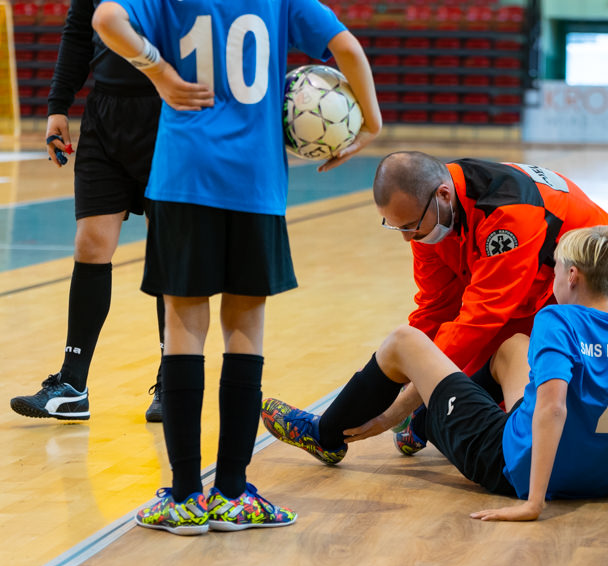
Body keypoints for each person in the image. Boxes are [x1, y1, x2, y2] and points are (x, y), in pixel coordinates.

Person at [92, 0, 381, 535]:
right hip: (255, 183)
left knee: (182, 330)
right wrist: (373, 119)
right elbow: (347, 48)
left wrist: (159, 72)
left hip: (183, 177)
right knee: (245, 332)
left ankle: (183, 497)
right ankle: (231, 493)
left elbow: (106, 19)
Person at [261, 226, 608, 521]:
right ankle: (430, 418)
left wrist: (532, 502)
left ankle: (338, 433)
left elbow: (551, 410)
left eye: (555, 271)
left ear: (572, 275)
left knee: (404, 342)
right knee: (511, 346)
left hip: (511, 465)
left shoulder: (557, 321)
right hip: (600, 478)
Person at [352, 152, 608, 454]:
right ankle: (597, 391)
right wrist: (400, 374)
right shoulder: (427, 219)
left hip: (603, 286)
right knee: (476, 379)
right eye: (398, 227)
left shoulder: (508, 210)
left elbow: (481, 317)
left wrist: (402, 405)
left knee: (515, 386)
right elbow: (434, 308)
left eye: (410, 225)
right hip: (541, 286)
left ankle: (600, 391)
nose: (408, 237)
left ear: (443, 196)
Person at [9, 0, 166, 423]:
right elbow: (78, 31)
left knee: (170, 248)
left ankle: (174, 377)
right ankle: (73, 385)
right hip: (104, 115)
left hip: (170, 117)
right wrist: (58, 105)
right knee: (91, 244)